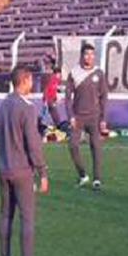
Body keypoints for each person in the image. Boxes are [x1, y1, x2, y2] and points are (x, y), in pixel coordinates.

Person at [0, 66, 50, 256]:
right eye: (31, 80)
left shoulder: (1, 107)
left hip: (3, 168)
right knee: (27, 218)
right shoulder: (27, 108)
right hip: (22, 171)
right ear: (25, 80)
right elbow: (33, 144)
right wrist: (42, 172)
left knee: (5, 215)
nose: (33, 84)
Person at [66, 43, 108, 190]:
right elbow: (67, 97)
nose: (89, 57)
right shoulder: (74, 72)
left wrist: (103, 118)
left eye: (92, 54)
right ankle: (83, 175)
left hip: (94, 117)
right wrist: (70, 115)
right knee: (72, 145)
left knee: (96, 147)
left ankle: (97, 179)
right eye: (86, 54)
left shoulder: (99, 73)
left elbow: (104, 96)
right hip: (78, 117)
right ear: (81, 55)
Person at [42, 56, 63, 128]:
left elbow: (55, 90)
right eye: (59, 74)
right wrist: (45, 99)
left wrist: (56, 98)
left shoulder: (57, 80)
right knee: (52, 112)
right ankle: (57, 125)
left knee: (52, 112)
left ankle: (57, 124)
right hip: (49, 100)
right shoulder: (52, 79)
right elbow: (47, 89)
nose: (60, 76)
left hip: (52, 99)